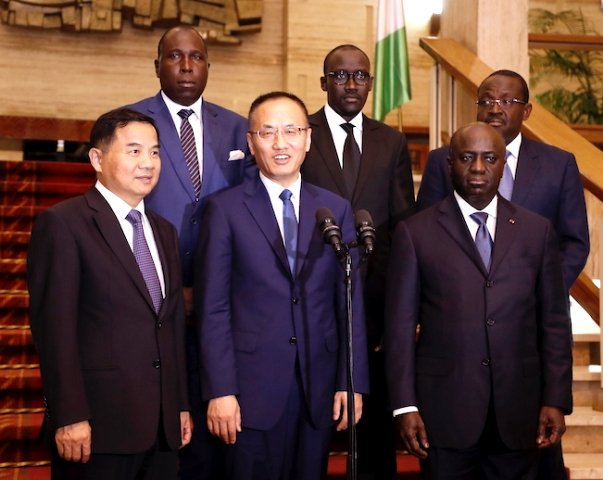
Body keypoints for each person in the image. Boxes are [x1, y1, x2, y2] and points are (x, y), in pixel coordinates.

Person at [195, 91, 370, 480]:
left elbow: (349, 303)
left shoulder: (335, 209)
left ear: (307, 139)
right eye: (268, 132)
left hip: (317, 386)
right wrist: (220, 389)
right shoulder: (224, 210)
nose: (280, 143)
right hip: (249, 388)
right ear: (251, 141)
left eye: (291, 131)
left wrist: (351, 381)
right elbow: (213, 308)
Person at [385, 122, 573, 480]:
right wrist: (404, 405)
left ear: (503, 165)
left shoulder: (537, 231)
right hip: (443, 414)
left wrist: (556, 397)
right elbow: (400, 328)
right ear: (449, 163)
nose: (477, 168)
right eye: (466, 157)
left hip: (519, 411)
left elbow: (554, 321)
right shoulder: (415, 232)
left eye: (489, 158)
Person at [27, 108, 192, 480]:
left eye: (154, 152)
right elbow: (54, 330)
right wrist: (68, 415)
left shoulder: (164, 231)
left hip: (162, 428)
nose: (148, 162)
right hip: (98, 427)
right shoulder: (64, 223)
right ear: (97, 159)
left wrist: (179, 404)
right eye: (134, 151)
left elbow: (171, 327)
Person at [127, 24, 254, 478]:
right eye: (175, 56)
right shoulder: (130, 123)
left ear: (208, 66)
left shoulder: (238, 127)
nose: (186, 66)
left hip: (224, 297)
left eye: (196, 57)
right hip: (153, 294)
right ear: (157, 65)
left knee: (212, 413)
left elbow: (249, 208)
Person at [300, 44, 416, 479]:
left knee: (373, 434)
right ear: (323, 82)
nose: (351, 84)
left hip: (373, 306)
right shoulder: (300, 133)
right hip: (311, 299)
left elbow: (402, 228)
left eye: (361, 75)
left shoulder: (392, 141)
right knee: (310, 427)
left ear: (370, 82)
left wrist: (396, 307)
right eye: (341, 75)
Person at [417, 69, 589, 292]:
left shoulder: (559, 165)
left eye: (507, 101)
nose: (495, 109)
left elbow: (574, 243)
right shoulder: (443, 160)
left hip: (534, 304)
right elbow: (425, 234)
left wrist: (545, 293)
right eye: (486, 101)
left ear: (526, 111)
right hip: (457, 299)